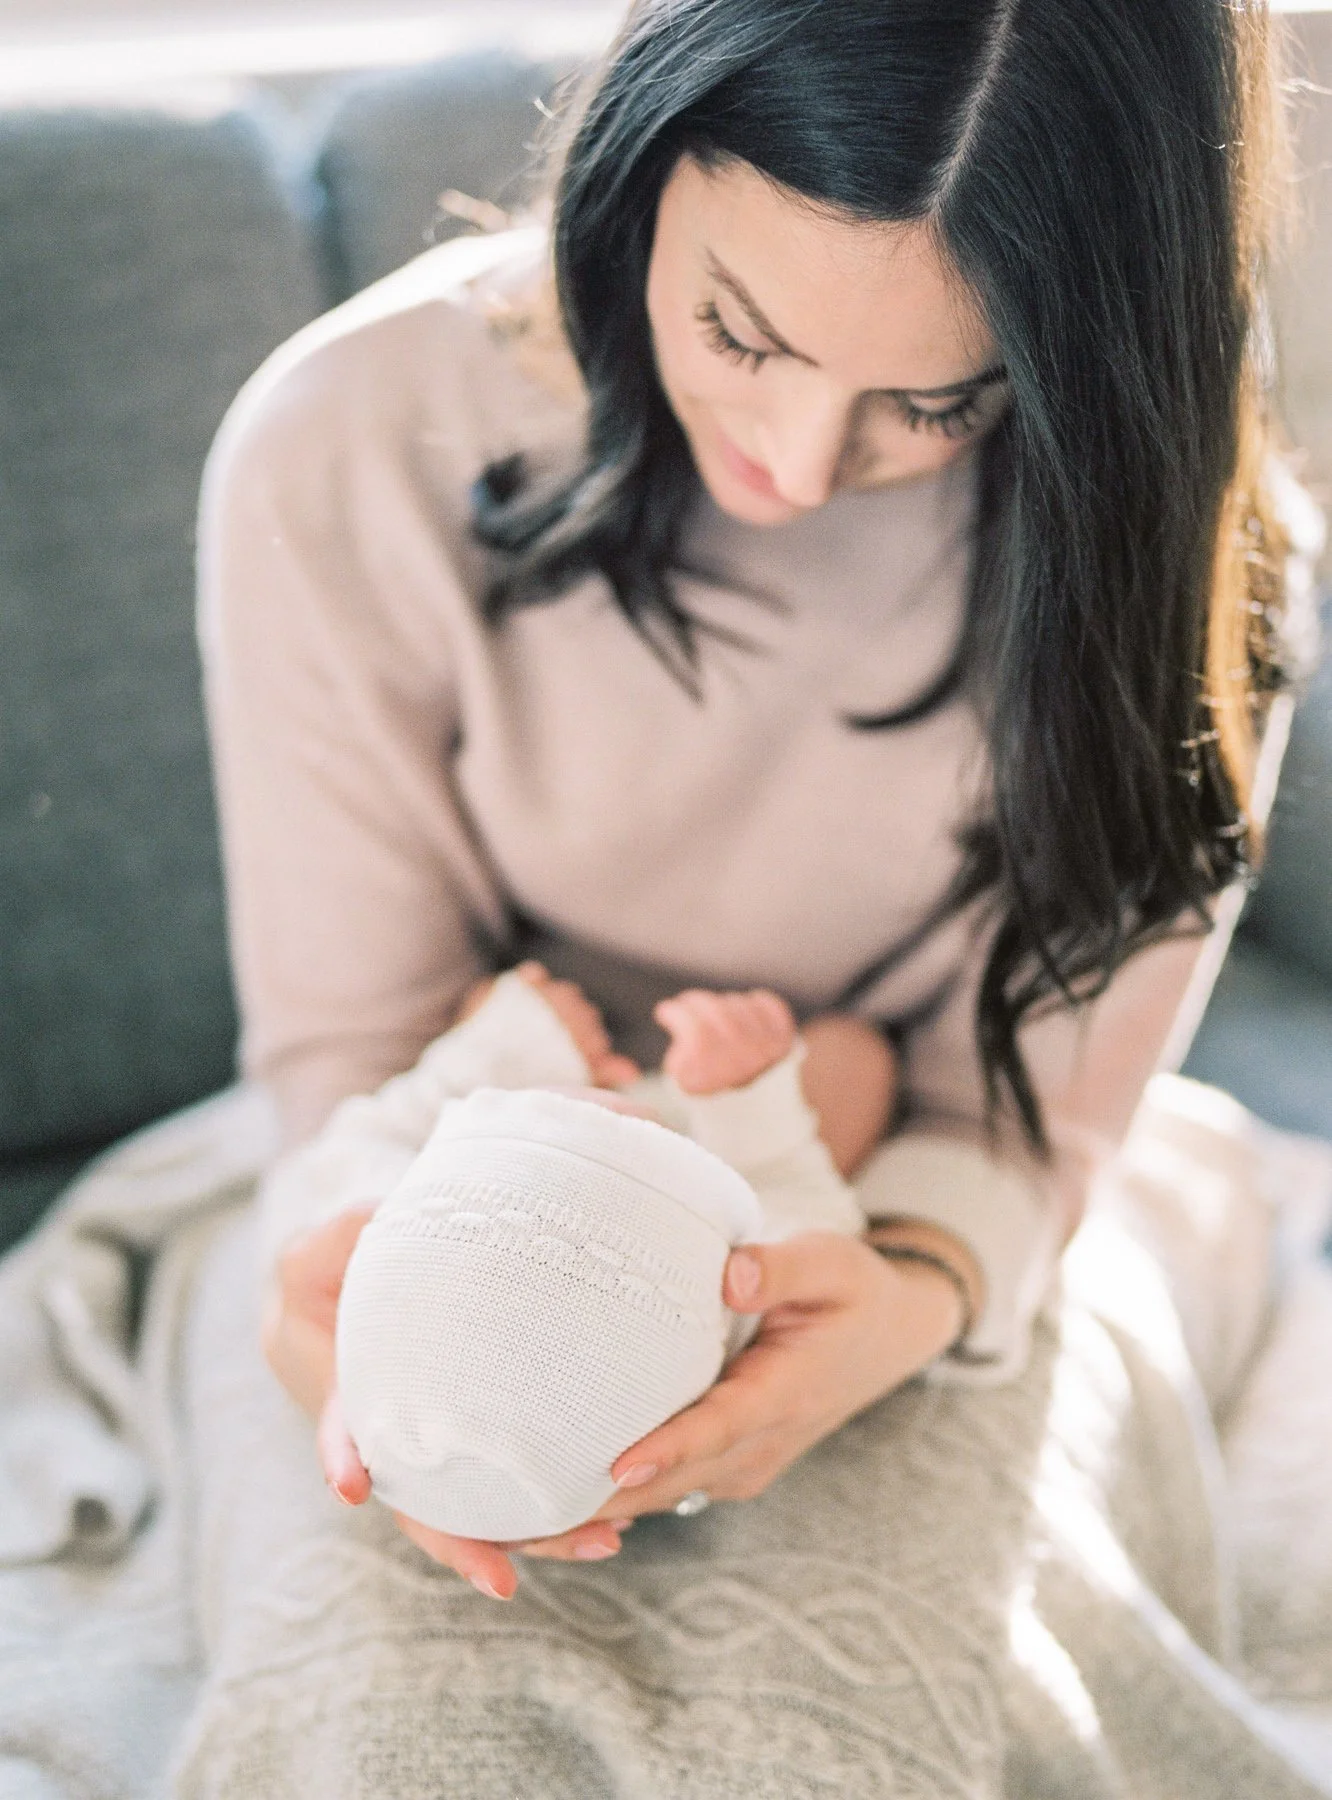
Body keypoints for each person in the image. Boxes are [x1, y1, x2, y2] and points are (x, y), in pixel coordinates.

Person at [201, 0, 1310, 1620]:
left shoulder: (1188, 572)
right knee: (405, 1665)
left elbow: (1021, 1128)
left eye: (936, 405)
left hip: (922, 1230)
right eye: (739, 329)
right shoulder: (342, 451)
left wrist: (907, 1299)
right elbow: (348, 1065)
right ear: (640, 161)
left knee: (871, 1656)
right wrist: (359, 1312)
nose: (790, 469)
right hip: (427, 1191)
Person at [269, 960, 892, 1543]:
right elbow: (811, 1223)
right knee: (854, 1061)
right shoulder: (728, 1293)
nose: (603, 1117)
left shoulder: (382, 1199)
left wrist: (505, 1049)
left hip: (495, 1108)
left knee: (496, 1003)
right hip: (719, 1160)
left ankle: (518, 1054)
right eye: (603, 1123)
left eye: (574, 1119)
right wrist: (752, 1102)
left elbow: (358, 1141)